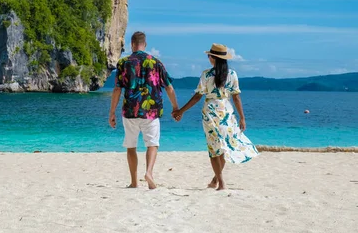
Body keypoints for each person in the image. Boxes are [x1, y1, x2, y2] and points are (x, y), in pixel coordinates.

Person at [172, 43, 258, 190]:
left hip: (210, 112)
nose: (208, 57)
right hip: (226, 111)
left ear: (213, 58)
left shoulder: (206, 74)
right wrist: (242, 117)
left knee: (213, 149)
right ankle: (216, 180)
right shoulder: (232, 75)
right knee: (224, 147)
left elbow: (197, 97)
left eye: (209, 55)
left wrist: (181, 111)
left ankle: (220, 182)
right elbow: (236, 98)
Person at [109, 31, 179, 189]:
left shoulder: (123, 63)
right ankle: (149, 173)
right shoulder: (156, 62)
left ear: (131, 44)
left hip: (130, 111)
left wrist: (112, 112)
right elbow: (169, 87)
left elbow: (117, 90)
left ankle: (134, 182)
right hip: (151, 111)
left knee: (131, 146)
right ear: (145, 44)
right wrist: (175, 107)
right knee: (152, 144)